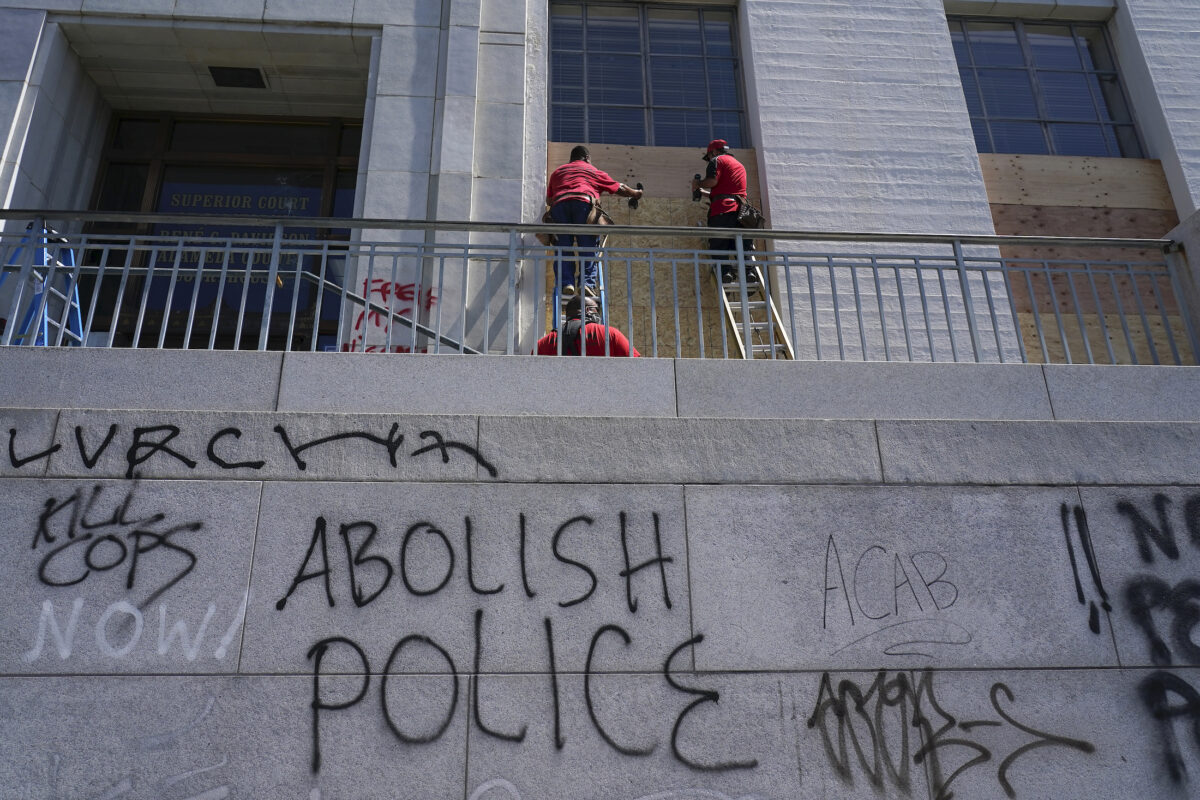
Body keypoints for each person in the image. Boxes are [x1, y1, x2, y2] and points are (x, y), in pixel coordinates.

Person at [545, 145, 643, 296]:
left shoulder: (558, 172)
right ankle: (586, 284)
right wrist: (636, 193)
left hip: (560, 206)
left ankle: (567, 283)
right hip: (584, 204)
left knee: (563, 245)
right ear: (586, 158)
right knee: (587, 244)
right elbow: (619, 188)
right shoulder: (592, 170)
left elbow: (549, 200)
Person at [690, 138, 752, 283]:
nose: (709, 159)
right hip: (742, 211)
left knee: (719, 242)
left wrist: (698, 183)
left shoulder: (717, 161)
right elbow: (725, 190)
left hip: (723, 209)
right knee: (742, 244)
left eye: (709, 156)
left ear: (714, 152)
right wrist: (703, 192)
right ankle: (749, 272)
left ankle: (725, 273)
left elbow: (712, 182)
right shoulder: (739, 165)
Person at [534, 295, 640, 357]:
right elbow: (637, 364)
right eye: (596, 310)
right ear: (587, 310)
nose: (598, 314)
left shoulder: (544, 343)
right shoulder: (609, 334)